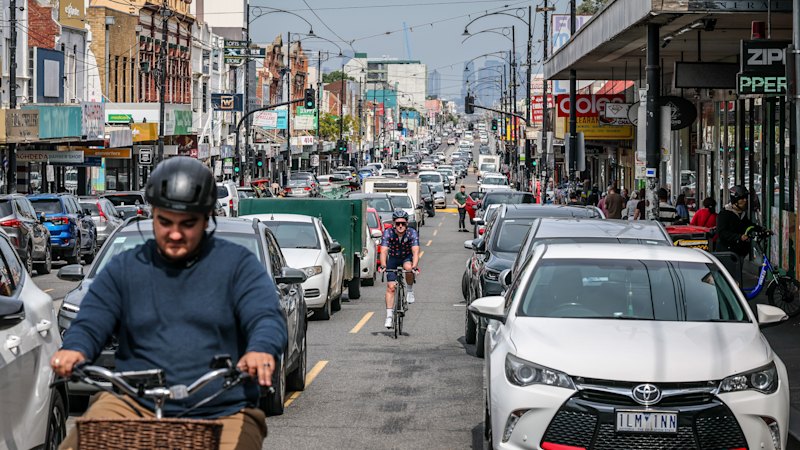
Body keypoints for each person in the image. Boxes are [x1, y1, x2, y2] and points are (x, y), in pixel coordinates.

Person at [52, 157, 286, 450]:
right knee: (81, 441)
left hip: (221, 409)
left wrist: (260, 350)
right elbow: (91, 320)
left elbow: (265, 316)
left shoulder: (239, 266)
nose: (175, 233)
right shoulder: (125, 267)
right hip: (134, 405)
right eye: (165, 222)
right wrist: (75, 348)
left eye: (188, 224)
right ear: (153, 217)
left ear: (207, 220)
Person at [378, 210, 421, 329]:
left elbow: (416, 251)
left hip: (406, 257)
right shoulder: (388, 233)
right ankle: (389, 316)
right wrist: (383, 265)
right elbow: (384, 251)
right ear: (393, 224)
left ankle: (410, 290)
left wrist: (415, 266)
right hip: (393, 258)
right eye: (397, 223)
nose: (400, 226)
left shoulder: (412, 233)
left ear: (407, 223)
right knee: (391, 287)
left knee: (408, 268)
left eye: (403, 223)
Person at [717, 186, 765, 257]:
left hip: (740, 252)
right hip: (727, 252)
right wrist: (739, 237)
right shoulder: (725, 213)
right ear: (735, 200)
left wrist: (761, 229)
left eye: (745, 198)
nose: (745, 200)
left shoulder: (742, 213)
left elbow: (748, 225)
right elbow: (722, 232)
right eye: (742, 198)